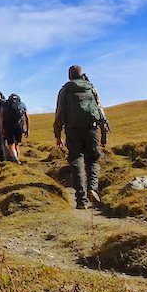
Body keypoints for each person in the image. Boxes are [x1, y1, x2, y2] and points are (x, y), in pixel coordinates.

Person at [53, 66, 110, 209]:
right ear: (82, 74)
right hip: (92, 128)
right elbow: (100, 111)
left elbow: (59, 113)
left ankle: (81, 199)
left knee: (76, 160)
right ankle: (92, 188)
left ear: (69, 76)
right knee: (93, 159)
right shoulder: (91, 88)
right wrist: (104, 134)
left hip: (72, 130)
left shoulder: (64, 90)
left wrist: (58, 134)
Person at [0, 93, 29, 163]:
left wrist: (1, 128)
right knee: (16, 144)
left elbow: (1, 116)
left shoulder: (5, 104)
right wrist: (27, 129)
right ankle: (17, 158)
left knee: (11, 144)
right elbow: (27, 116)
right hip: (19, 125)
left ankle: (15, 158)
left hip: (9, 125)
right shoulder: (22, 104)